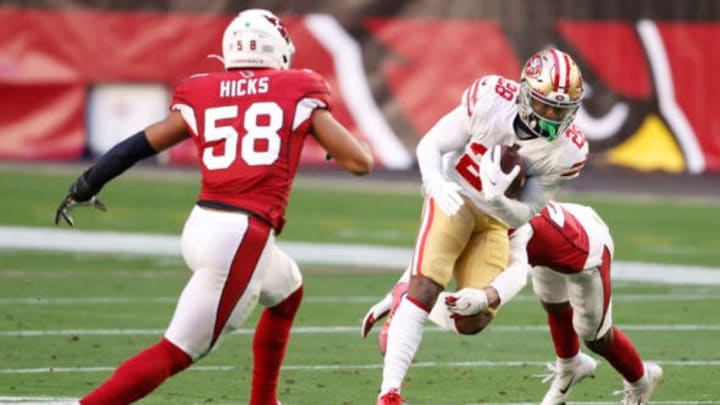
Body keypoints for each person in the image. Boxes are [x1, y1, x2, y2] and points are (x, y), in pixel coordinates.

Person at [54, 9, 373, 405]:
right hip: (242, 235)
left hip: (202, 225)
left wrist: (87, 184)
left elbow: (138, 144)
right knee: (177, 351)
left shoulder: (203, 89)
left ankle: (264, 401)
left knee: (287, 291)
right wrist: (333, 139)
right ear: (279, 51)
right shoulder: (299, 88)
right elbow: (360, 163)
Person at [372, 47, 588, 405]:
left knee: (472, 321)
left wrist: (498, 196)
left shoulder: (568, 151)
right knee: (426, 285)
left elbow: (525, 213)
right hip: (454, 197)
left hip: (497, 221)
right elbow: (432, 143)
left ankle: (403, 297)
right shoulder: (490, 99)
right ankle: (390, 392)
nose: (552, 118)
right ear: (523, 93)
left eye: (561, 111)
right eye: (546, 106)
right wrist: (435, 184)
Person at [364, 201, 663, 405]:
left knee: (595, 336)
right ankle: (571, 366)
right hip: (547, 252)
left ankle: (641, 380)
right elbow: (434, 255)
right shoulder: (475, 207)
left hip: (587, 254)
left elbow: (517, 272)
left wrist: (485, 296)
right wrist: (400, 292)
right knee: (555, 306)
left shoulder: (514, 221)